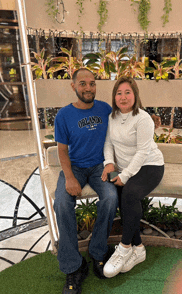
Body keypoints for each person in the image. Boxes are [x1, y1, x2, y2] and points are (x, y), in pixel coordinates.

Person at [54, 68, 118, 294]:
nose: (88, 88)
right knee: (61, 203)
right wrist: (70, 177)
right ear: (73, 86)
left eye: (92, 83)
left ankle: (98, 253)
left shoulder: (105, 108)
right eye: (83, 84)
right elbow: (62, 151)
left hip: (100, 165)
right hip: (75, 167)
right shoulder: (63, 115)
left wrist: (150, 117)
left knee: (110, 198)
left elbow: (127, 120)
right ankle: (74, 266)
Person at [101, 76, 164, 278]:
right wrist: (109, 164)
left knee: (128, 194)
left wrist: (125, 176)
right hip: (124, 167)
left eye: (127, 92)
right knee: (121, 196)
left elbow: (143, 152)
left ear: (135, 95)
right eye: (119, 93)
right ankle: (139, 248)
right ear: (114, 97)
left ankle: (124, 248)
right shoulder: (112, 117)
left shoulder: (143, 118)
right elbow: (108, 144)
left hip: (149, 166)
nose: (123, 97)